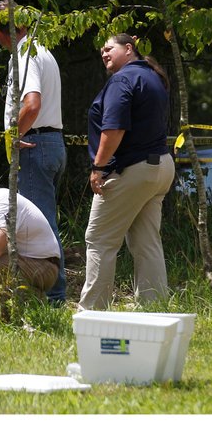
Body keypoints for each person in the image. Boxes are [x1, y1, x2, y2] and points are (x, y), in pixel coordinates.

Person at [78, 33, 175, 311]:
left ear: (129, 48)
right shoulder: (153, 76)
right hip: (160, 168)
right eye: (101, 52)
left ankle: (92, 312)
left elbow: (114, 129)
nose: (104, 54)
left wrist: (99, 167)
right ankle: (155, 308)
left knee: (99, 240)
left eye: (109, 49)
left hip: (132, 169)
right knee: (146, 241)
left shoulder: (123, 80)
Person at [0, 0, 67, 303]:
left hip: (35, 145)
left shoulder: (25, 53)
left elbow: (31, 104)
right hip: (49, 143)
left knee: (41, 223)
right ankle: (48, 292)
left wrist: (12, 137)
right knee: (44, 221)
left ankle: (54, 297)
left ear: (0, 31)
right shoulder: (41, 50)